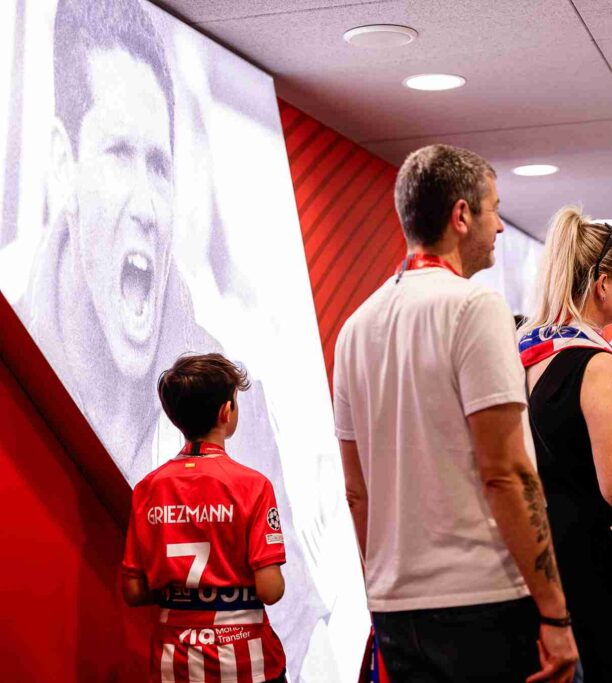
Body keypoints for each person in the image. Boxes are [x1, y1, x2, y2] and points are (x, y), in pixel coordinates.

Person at [25, 2, 326, 669]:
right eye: (118, 154)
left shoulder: (153, 491)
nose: (146, 205)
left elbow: (134, 583)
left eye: (160, 165)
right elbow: (277, 587)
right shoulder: (250, 487)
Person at [334, 144, 578, 682]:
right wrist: (555, 611)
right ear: (461, 215)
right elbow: (507, 473)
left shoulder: (356, 327)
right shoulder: (475, 307)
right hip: (483, 600)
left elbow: (357, 492)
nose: (501, 228)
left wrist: (386, 586)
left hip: (397, 607)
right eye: (494, 209)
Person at [518, 207, 612, 682]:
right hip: (595, 571)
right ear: (600, 284)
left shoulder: (519, 352)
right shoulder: (595, 363)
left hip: (535, 563)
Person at [121, 353, 288, 682]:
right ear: (226, 412)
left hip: (175, 665)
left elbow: (134, 590)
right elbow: (270, 589)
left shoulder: (147, 489)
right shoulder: (253, 485)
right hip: (249, 662)